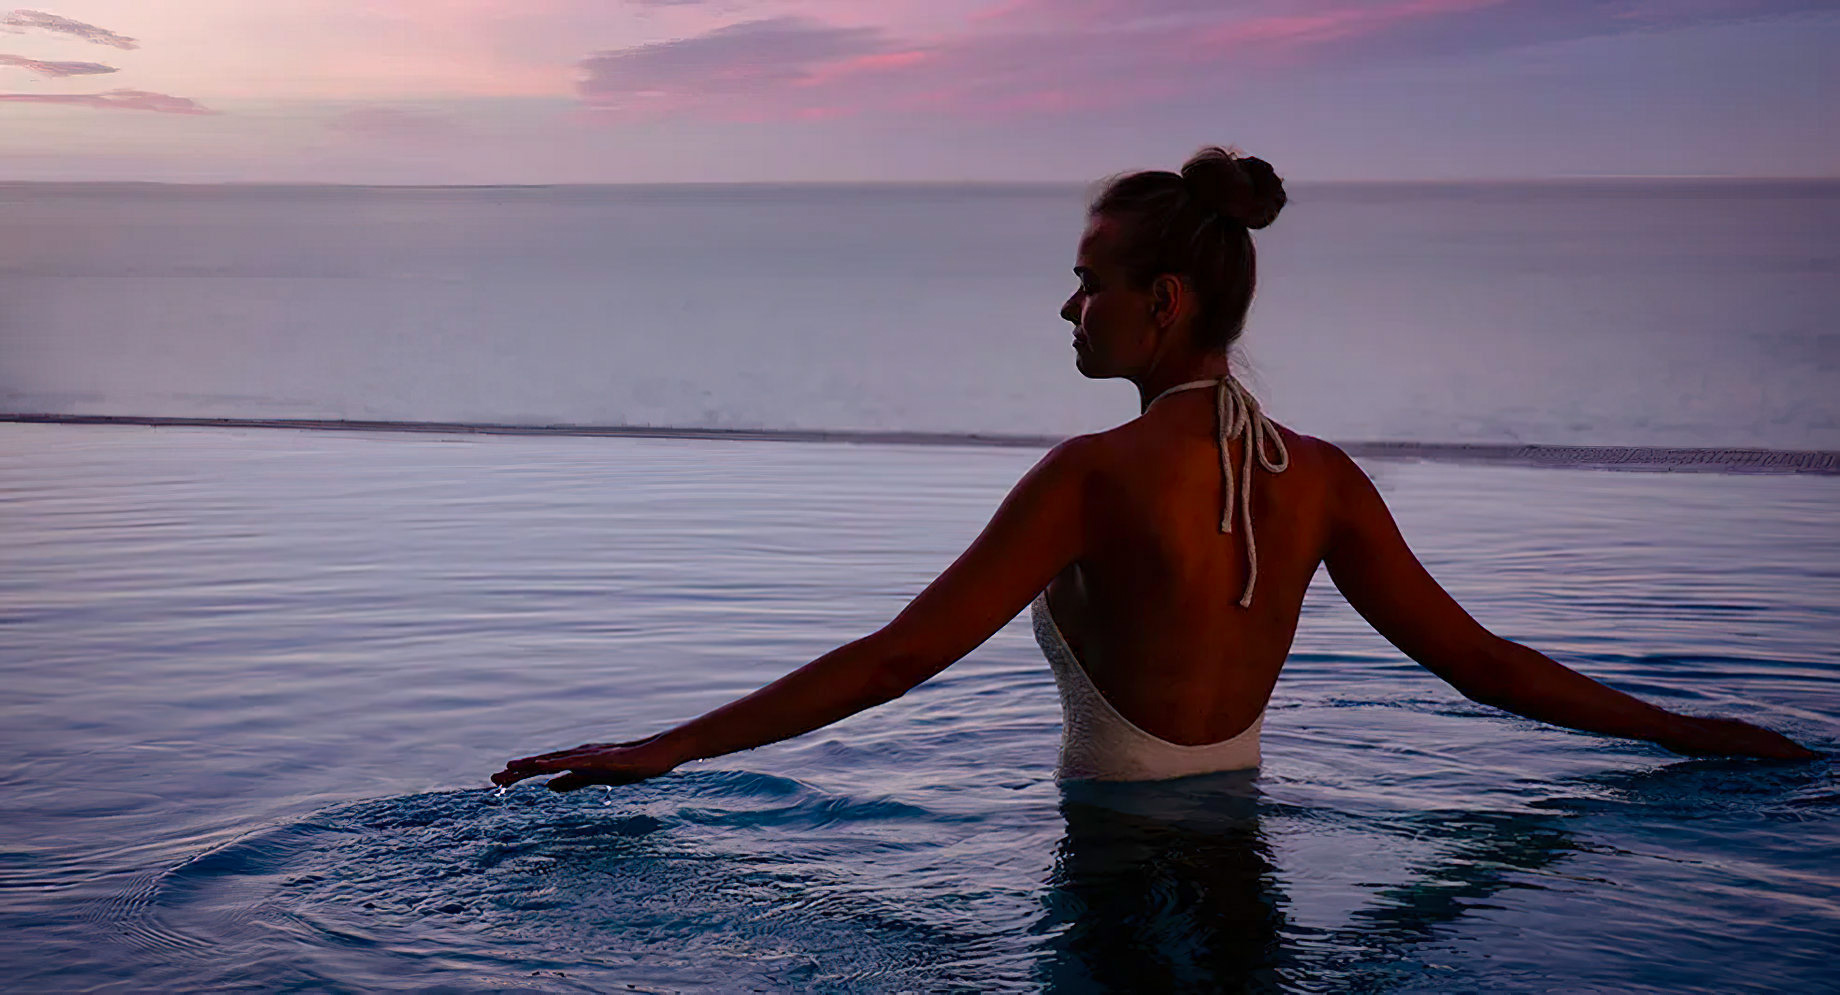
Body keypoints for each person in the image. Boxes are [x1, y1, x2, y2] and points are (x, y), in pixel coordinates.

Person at [494, 146, 1813, 792]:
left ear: (1163, 302)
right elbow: (1483, 667)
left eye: (1087, 283)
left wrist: (652, 752)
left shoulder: (1090, 476)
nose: (1067, 310)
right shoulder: (1324, 480)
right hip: (1243, 851)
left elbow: (899, 661)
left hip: (1114, 880)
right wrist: (1694, 733)